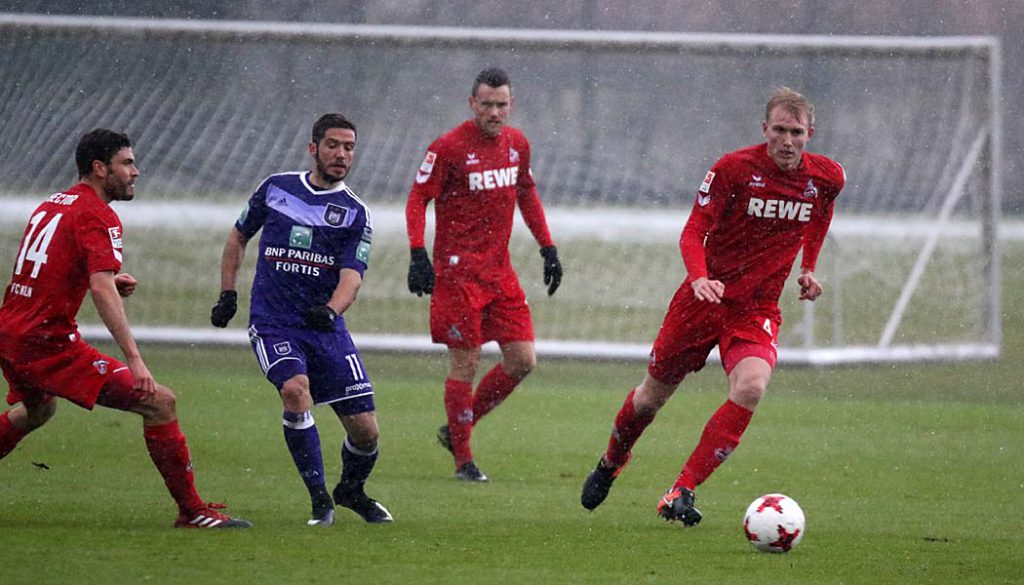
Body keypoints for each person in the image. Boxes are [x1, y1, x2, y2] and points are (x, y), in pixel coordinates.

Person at [580, 88, 845, 525]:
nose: (786, 141)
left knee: (752, 386)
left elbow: (821, 213)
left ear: (809, 134)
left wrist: (809, 266)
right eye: (778, 130)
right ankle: (611, 462)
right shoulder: (733, 169)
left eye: (796, 133)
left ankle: (680, 490)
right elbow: (692, 229)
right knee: (649, 400)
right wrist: (700, 277)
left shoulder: (827, 178)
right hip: (701, 302)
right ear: (764, 130)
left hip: (755, 307)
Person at [0, 129, 251, 529]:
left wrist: (105, 280)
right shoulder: (98, 214)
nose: (136, 171)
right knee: (159, 402)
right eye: (127, 163)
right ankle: (192, 511)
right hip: (45, 343)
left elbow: (48, 269)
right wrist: (135, 359)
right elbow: (99, 286)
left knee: (39, 409)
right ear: (100, 169)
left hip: (10, 333)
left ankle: (192, 510)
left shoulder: (52, 205)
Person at [211, 113, 391, 526]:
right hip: (274, 322)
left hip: (324, 326)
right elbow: (239, 235)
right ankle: (320, 500)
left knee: (366, 433)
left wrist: (332, 310)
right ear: (313, 148)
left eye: (348, 148)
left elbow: (352, 276)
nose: (341, 154)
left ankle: (350, 490)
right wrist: (227, 293)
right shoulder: (275, 188)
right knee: (295, 390)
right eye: (333, 145)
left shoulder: (354, 212)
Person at [406, 67, 563, 482]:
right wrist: (417, 252)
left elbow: (526, 194)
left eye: (502, 104)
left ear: (511, 105)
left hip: (499, 274)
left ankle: (458, 426)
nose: (495, 112)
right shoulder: (449, 148)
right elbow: (418, 198)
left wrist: (548, 248)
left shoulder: (517, 145)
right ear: (472, 104)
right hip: (458, 276)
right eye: (487, 104)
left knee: (523, 359)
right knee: (466, 363)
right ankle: (464, 460)